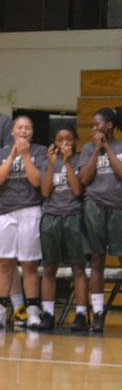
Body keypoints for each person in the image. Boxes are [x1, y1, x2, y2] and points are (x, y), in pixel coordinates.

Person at [79, 107, 122, 332]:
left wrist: (106, 147)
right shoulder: (87, 148)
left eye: (97, 125)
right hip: (94, 207)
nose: (93, 129)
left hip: (119, 209)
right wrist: (96, 150)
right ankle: (97, 312)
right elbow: (84, 179)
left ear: (109, 126)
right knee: (96, 260)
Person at [40, 126, 90, 332]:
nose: (64, 143)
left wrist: (68, 162)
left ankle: (80, 314)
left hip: (73, 216)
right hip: (51, 217)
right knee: (49, 268)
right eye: (60, 139)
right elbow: (44, 191)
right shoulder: (47, 162)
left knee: (78, 268)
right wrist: (52, 165)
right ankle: (48, 313)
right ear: (54, 142)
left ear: (75, 141)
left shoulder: (80, 161)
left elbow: (78, 190)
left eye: (69, 139)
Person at [0, 116, 47, 330]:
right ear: (12, 131)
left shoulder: (39, 152)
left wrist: (25, 154)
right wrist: (12, 155)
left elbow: (37, 181)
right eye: (20, 127)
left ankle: (32, 310)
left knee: (29, 264)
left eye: (28, 128)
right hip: (5, 212)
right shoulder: (2, 152)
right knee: (5, 263)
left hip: (30, 209)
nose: (23, 131)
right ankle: (2, 310)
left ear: (32, 132)